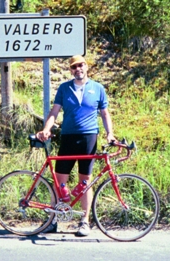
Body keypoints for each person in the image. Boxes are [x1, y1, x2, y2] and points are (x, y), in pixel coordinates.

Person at [37, 55, 115, 236]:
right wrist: (46, 129)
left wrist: (110, 133)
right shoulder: (64, 88)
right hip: (68, 137)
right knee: (60, 180)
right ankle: (53, 220)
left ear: (86, 67)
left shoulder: (97, 88)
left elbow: (104, 114)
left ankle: (84, 221)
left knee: (85, 182)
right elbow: (54, 112)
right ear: (70, 70)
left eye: (81, 65)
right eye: (74, 67)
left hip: (89, 138)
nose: (78, 69)